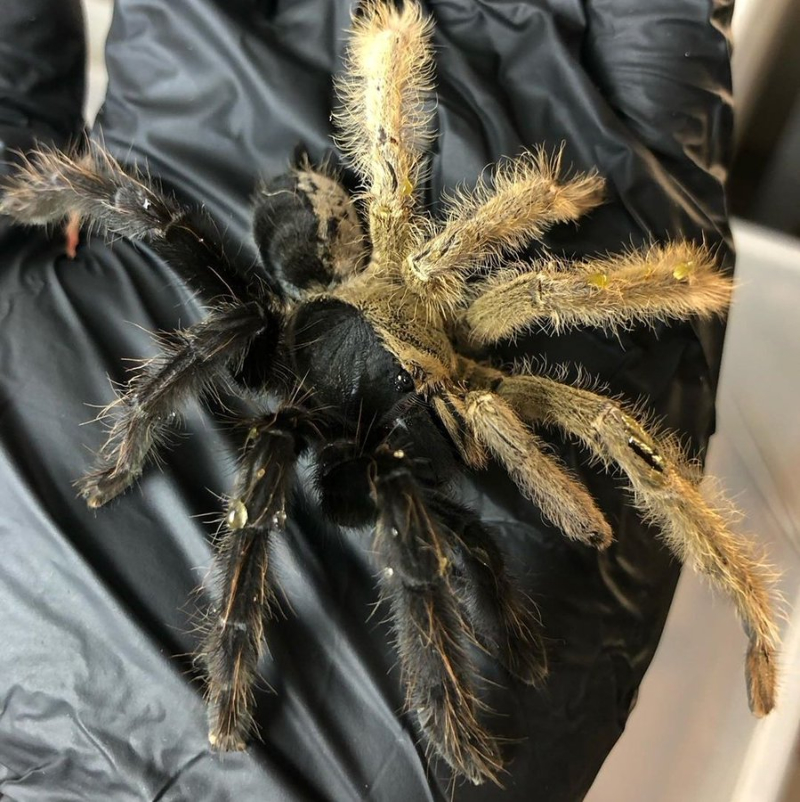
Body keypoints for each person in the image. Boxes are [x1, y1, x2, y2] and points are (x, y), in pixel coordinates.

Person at [0, 1, 735, 799]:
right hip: (316, 317)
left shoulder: (450, 316)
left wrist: (570, 209)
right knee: (180, 262)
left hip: (384, 286)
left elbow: (543, 280)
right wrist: (127, 445)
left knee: (550, 292)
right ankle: (390, 706)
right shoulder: (294, 378)